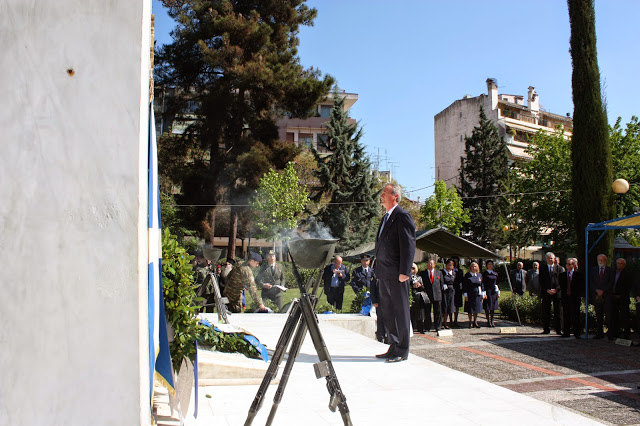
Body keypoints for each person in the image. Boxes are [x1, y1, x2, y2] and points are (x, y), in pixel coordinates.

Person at [374, 183, 416, 363]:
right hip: (384, 273)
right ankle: (393, 345)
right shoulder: (385, 218)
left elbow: (408, 245)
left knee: (400, 311)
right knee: (388, 311)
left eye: (385, 193)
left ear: (395, 197)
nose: (381, 196)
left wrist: (405, 271)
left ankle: (403, 349)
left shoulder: (402, 216)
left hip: (397, 273)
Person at [588, 253, 615, 339]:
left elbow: (611, 282)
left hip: (606, 295)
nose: (601, 261)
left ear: (606, 261)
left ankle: (610, 333)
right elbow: (590, 282)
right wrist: (597, 290)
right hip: (597, 296)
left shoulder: (610, 270)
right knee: (598, 315)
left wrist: (603, 290)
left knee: (609, 315)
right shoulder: (593, 270)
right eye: (599, 260)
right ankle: (599, 333)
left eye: (602, 260)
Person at [539, 252, 564, 335]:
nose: (550, 260)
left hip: (557, 293)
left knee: (558, 311)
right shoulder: (542, 268)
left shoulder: (559, 269)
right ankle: (546, 329)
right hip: (546, 292)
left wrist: (556, 290)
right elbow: (541, 281)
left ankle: (559, 329)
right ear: (546, 259)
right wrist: (547, 290)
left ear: (554, 259)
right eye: (549, 258)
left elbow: (561, 281)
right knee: (546, 311)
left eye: (552, 258)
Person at [559, 258, 583, 339]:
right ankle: (566, 332)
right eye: (566, 264)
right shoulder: (562, 275)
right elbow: (561, 287)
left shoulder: (578, 275)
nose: (567, 266)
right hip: (566, 298)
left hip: (575, 298)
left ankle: (577, 333)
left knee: (575, 315)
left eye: (569, 264)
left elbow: (580, 287)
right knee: (566, 315)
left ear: (573, 265)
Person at [610, 258, 632, 340]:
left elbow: (628, 286)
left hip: (623, 298)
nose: (619, 265)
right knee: (614, 316)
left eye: (621, 263)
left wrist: (621, 295)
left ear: (624, 265)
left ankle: (626, 334)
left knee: (624, 316)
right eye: (618, 263)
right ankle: (616, 332)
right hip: (613, 297)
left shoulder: (628, 274)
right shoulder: (613, 272)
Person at [419, 258, 443, 332]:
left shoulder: (439, 273)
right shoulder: (423, 273)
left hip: (437, 294)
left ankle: (438, 326)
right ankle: (427, 326)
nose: (430, 265)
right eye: (429, 264)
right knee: (427, 312)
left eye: (431, 263)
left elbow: (441, 284)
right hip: (427, 295)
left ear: (434, 265)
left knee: (438, 312)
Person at [464, 262, 485, 328]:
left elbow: (482, 285)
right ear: (470, 267)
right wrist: (465, 295)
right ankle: (470, 321)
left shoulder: (479, 275)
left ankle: (475, 321)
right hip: (470, 293)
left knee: (476, 308)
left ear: (477, 267)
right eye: (472, 266)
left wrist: (483, 293)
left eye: (475, 266)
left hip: (477, 294)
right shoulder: (467, 275)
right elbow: (465, 286)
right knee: (470, 309)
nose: (473, 268)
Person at [409, 263, 427, 333]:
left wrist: (419, 285)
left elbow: (423, 287)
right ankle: (412, 327)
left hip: (419, 296)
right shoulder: (407, 277)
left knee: (420, 313)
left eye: (413, 268)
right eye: (411, 268)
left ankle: (420, 328)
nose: (412, 270)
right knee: (411, 313)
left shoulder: (419, 277)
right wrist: (412, 286)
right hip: (411, 296)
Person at [441, 259, 457, 329]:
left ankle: (445, 322)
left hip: (451, 291)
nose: (449, 267)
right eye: (448, 265)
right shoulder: (442, 272)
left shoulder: (453, 273)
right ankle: (441, 322)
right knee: (443, 307)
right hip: (444, 291)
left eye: (451, 265)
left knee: (449, 307)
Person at [482, 260, 500, 327]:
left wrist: (498, 291)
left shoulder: (495, 273)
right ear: (486, 265)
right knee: (487, 306)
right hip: (487, 291)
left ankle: (492, 320)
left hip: (493, 291)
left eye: (491, 264)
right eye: (489, 264)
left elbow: (497, 283)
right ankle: (488, 321)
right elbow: (482, 283)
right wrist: (483, 292)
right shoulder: (485, 274)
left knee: (493, 307)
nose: (490, 265)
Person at [451, 256, 465, 327]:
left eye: (456, 261)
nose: (455, 263)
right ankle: (450, 320)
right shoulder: (450, 271)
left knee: (457, 305)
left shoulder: (460, 271)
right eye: (454, 261)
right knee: (450, 305)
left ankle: (455, 320)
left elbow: (462, 280)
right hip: (451, 289)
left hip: (458, 290)